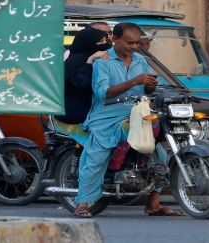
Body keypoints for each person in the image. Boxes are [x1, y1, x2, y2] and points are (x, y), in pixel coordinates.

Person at [74, 22, 180, 217]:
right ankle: (82, 203)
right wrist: (135, 81)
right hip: (106, 116)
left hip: (137, 114)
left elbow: (148, 88)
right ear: (115, 40)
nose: (134, 47)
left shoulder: (140, 60)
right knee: (97, 156)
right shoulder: (103, 61)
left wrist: (149, 86)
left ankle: (153, 203)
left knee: (160, 156)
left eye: (137, 43)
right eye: (130, 43)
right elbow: (102, 93)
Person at [56, 27, 110, 127]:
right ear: (87, 42)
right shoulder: (77, 61)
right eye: (100, 42)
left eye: (105, 41)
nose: (105, 44)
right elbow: (81, 84)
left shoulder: (95, 58)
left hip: (88, 113)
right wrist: (89, 61)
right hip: (75, 115)